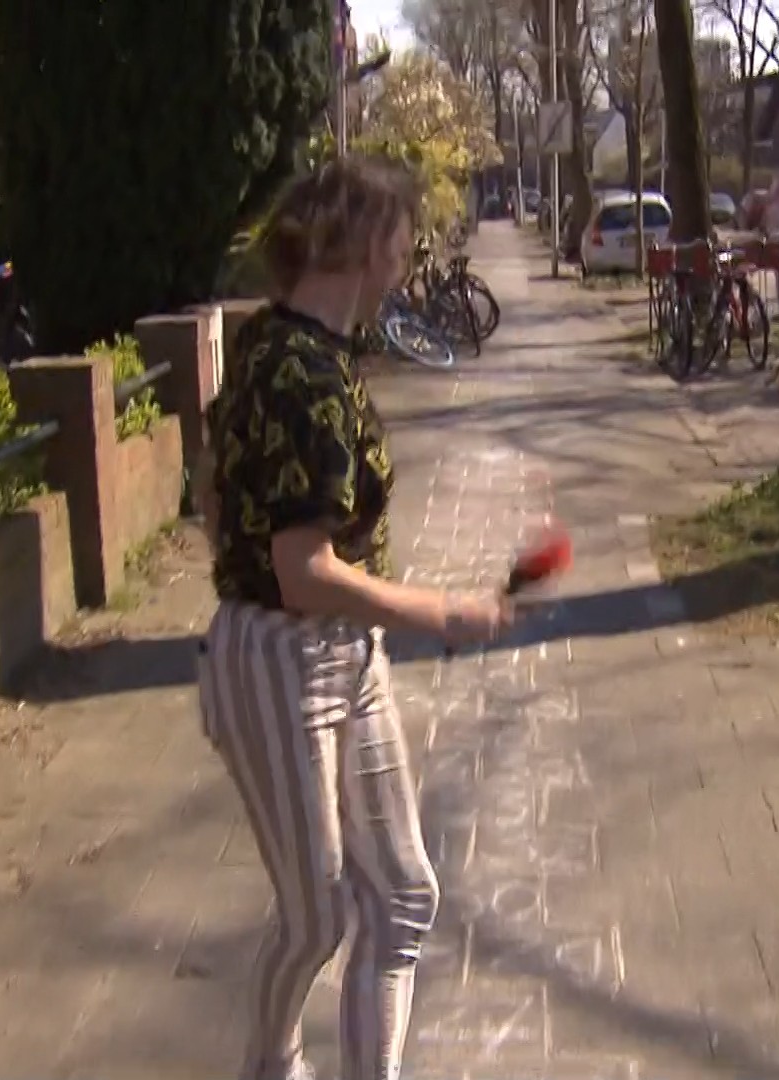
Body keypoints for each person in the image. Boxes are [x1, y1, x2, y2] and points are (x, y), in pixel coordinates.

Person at [191, 154, 515, 1080]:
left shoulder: (284, 342)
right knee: (315, 919)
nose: (409, 258)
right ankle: (273, 1063)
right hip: (279, 661)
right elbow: (303, 574)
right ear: (369, 243)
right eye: (403, 240)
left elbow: (209, 483)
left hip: (343, 656)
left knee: (403, 895)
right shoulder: (303, 377)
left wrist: (237, 549)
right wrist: (440, 611)